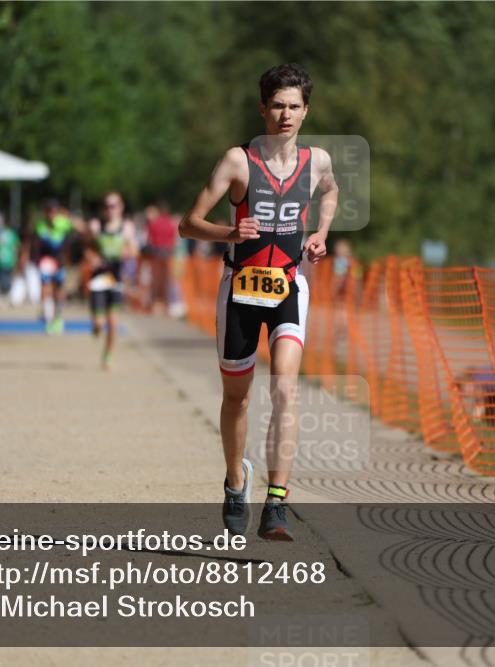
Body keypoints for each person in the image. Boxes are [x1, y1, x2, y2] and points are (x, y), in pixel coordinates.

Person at [179, 63, 338, 540]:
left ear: (306, 111)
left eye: (294, 107)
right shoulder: (238, 161)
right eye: (277, 106)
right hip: (241, 288)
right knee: (238, 397)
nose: (286, 115)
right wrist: (229, 233)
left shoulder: (318, 161)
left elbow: (330, 191)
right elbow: (187, 224)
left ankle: (277, 503)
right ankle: (235, 482)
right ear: (262, 109)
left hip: (289, 285)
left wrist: (321, 233)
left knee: (286, 387)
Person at [86, 192, 138, 369]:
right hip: (99, 279)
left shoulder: (127, 227)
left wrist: (126, 253)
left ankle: (107, 356)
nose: (110, 210)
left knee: (113, 324)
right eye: (106, 206)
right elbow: (87, 248)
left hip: (116, 278)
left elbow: (134, 251)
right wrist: (92, 258)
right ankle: (96, 327)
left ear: (120, 207)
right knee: (99, 323)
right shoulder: (95, 226)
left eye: (113, 206)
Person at [32, 200, 82, 335]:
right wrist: (36, 260)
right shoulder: (40, 226)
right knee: (46, 288)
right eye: (48, 211)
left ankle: (58, 317)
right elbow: (35, 244)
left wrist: (69, 217)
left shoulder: (64, 223)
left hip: (60, 262)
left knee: (58, 291)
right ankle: (49, 319)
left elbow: (80, 229)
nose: (51, 214)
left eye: (54, 211)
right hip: (46, 261)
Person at [145, 201, 179, 315]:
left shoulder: (154, 223)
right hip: (167, 254)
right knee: (166, 282)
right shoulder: (171, 223)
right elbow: (174, 240)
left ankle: (155, 306)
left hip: (156, 253)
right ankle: (166, 306)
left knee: (155, 281)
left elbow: (149, 239)